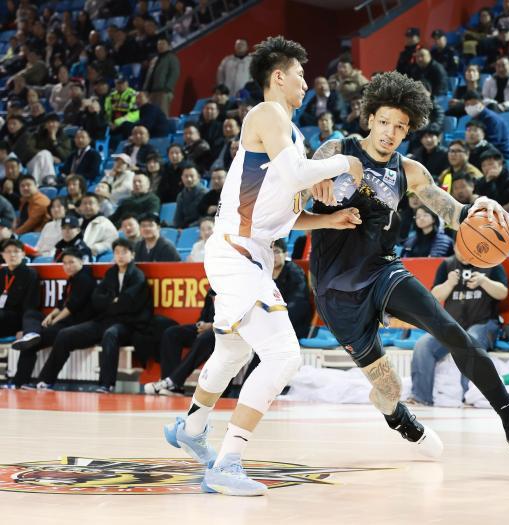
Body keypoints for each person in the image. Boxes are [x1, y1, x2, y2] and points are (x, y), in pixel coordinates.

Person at [309, 71, 509, 470]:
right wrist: (311, 184)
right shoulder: (337, 150)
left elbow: (454, 213)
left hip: (383, 272)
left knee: (451, 331)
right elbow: (296, 190)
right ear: (370, 118)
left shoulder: (409, 171)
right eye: (385, 122)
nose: (391, 133)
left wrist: (480, 205)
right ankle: (400, 418)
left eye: (400, 127)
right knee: (389, 388)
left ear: (408, 131)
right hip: (335, 290)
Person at [163, 36, 367, 496]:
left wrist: (327, 220)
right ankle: (227, 463)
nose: (306, 83)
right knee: (283, 356)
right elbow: (296, 176)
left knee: (232, 352)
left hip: (247, 251)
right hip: (237, 253)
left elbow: (282, 213)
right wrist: (345, 161)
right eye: (300, 75)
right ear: (278, 76)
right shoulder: (267, 114)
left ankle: (190, 430)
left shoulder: (291, 135)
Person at [36, 238, 152, 393]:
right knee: (64, 334)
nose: (120, 255)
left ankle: (106, 384)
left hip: (127, 324)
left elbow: (129, 304)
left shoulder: (138, 276)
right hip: (104, 320)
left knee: (110, 334)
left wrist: (110, 302)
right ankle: (46, 380)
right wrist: (114, 301)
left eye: (124, 252)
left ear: (132, 255)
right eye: (117, 252)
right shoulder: (110, 273)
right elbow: (96, 299)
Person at [409, 250, 508, 405]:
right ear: (455, 246)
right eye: (459, 247)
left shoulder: (490, 263)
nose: (463, 252)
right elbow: (434, 297)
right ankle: (420, 397)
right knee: (423, 345)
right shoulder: (447, 265)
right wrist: (449, 284)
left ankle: (468, 397)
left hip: (483, 323)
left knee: (471, 340)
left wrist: (484, 281)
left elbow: (503, 293)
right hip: (451, 325)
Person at [10, 248, 97, 389]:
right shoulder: (73, 278)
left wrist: (54, 322)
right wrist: (51, 315)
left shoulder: (85, 280)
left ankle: (20, 382)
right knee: (32, 314)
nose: (67, 266)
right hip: (63, 322)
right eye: (65, 263)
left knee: (31, 344)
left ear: (81, 261)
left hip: (74, 325)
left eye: (71, 262)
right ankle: (30, 334)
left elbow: (71, 307)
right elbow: (62, 303)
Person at [271, 239, 311, 338]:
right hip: (272, 323)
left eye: (276, 252)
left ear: (285, 254)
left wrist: (277, 320)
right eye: (269, 252)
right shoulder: (265, 273)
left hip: (294, 325)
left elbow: (298, 302)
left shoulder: (294, 272)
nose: (272, 256)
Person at [0, 239, 40, 339]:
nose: (12, 255)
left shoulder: (30, 274)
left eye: (16, 251)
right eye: (8, 251)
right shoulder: (2, 272)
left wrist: (24, 329)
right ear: (2, 255)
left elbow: (31, 305)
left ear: (23, 254)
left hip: (17, 318)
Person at [462, 91, 509, 159]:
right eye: (467, 105)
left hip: (499, 154)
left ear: (482, 103)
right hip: (481, 150)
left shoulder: (492, 119)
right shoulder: (474, 118)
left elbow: (494, 143)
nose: (470, 107)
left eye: (473, 104)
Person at [474, 148, 509, 213]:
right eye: (483, 165)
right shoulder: (480, 182)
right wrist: (488, 183)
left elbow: (504, 201)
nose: (487, 168)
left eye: (490, 164)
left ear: (500, 163)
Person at [143, 37, 180, 116]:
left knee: (162, 114)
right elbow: (149, 76)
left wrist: (167, 88)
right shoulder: (155, 59)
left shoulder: (172, 58)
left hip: (163, 92)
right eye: (159, 44)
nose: (160, 46)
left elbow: (174, 73)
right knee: (151, 114)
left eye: (163, 44)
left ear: (168, 46)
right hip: (151, 92)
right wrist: (145, 89)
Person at [79, 192, 119, 257]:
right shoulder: (78, 223)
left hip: (95, 257)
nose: (87, 206)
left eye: (91, 203)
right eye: (84, 203)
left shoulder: (105, 223)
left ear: (98, 206)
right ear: (80, 207)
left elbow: (113, 242)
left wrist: (96, 248)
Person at [174, 164, 207, 229]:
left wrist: (189, 227)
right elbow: (177, 218)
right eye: (186, 176)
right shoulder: (180, 196)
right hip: (184, 228)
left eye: (192, 176)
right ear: (182, 178)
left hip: (199, 227)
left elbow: (205, 217)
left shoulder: (205, 194)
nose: (189, 179)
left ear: (198, 177)